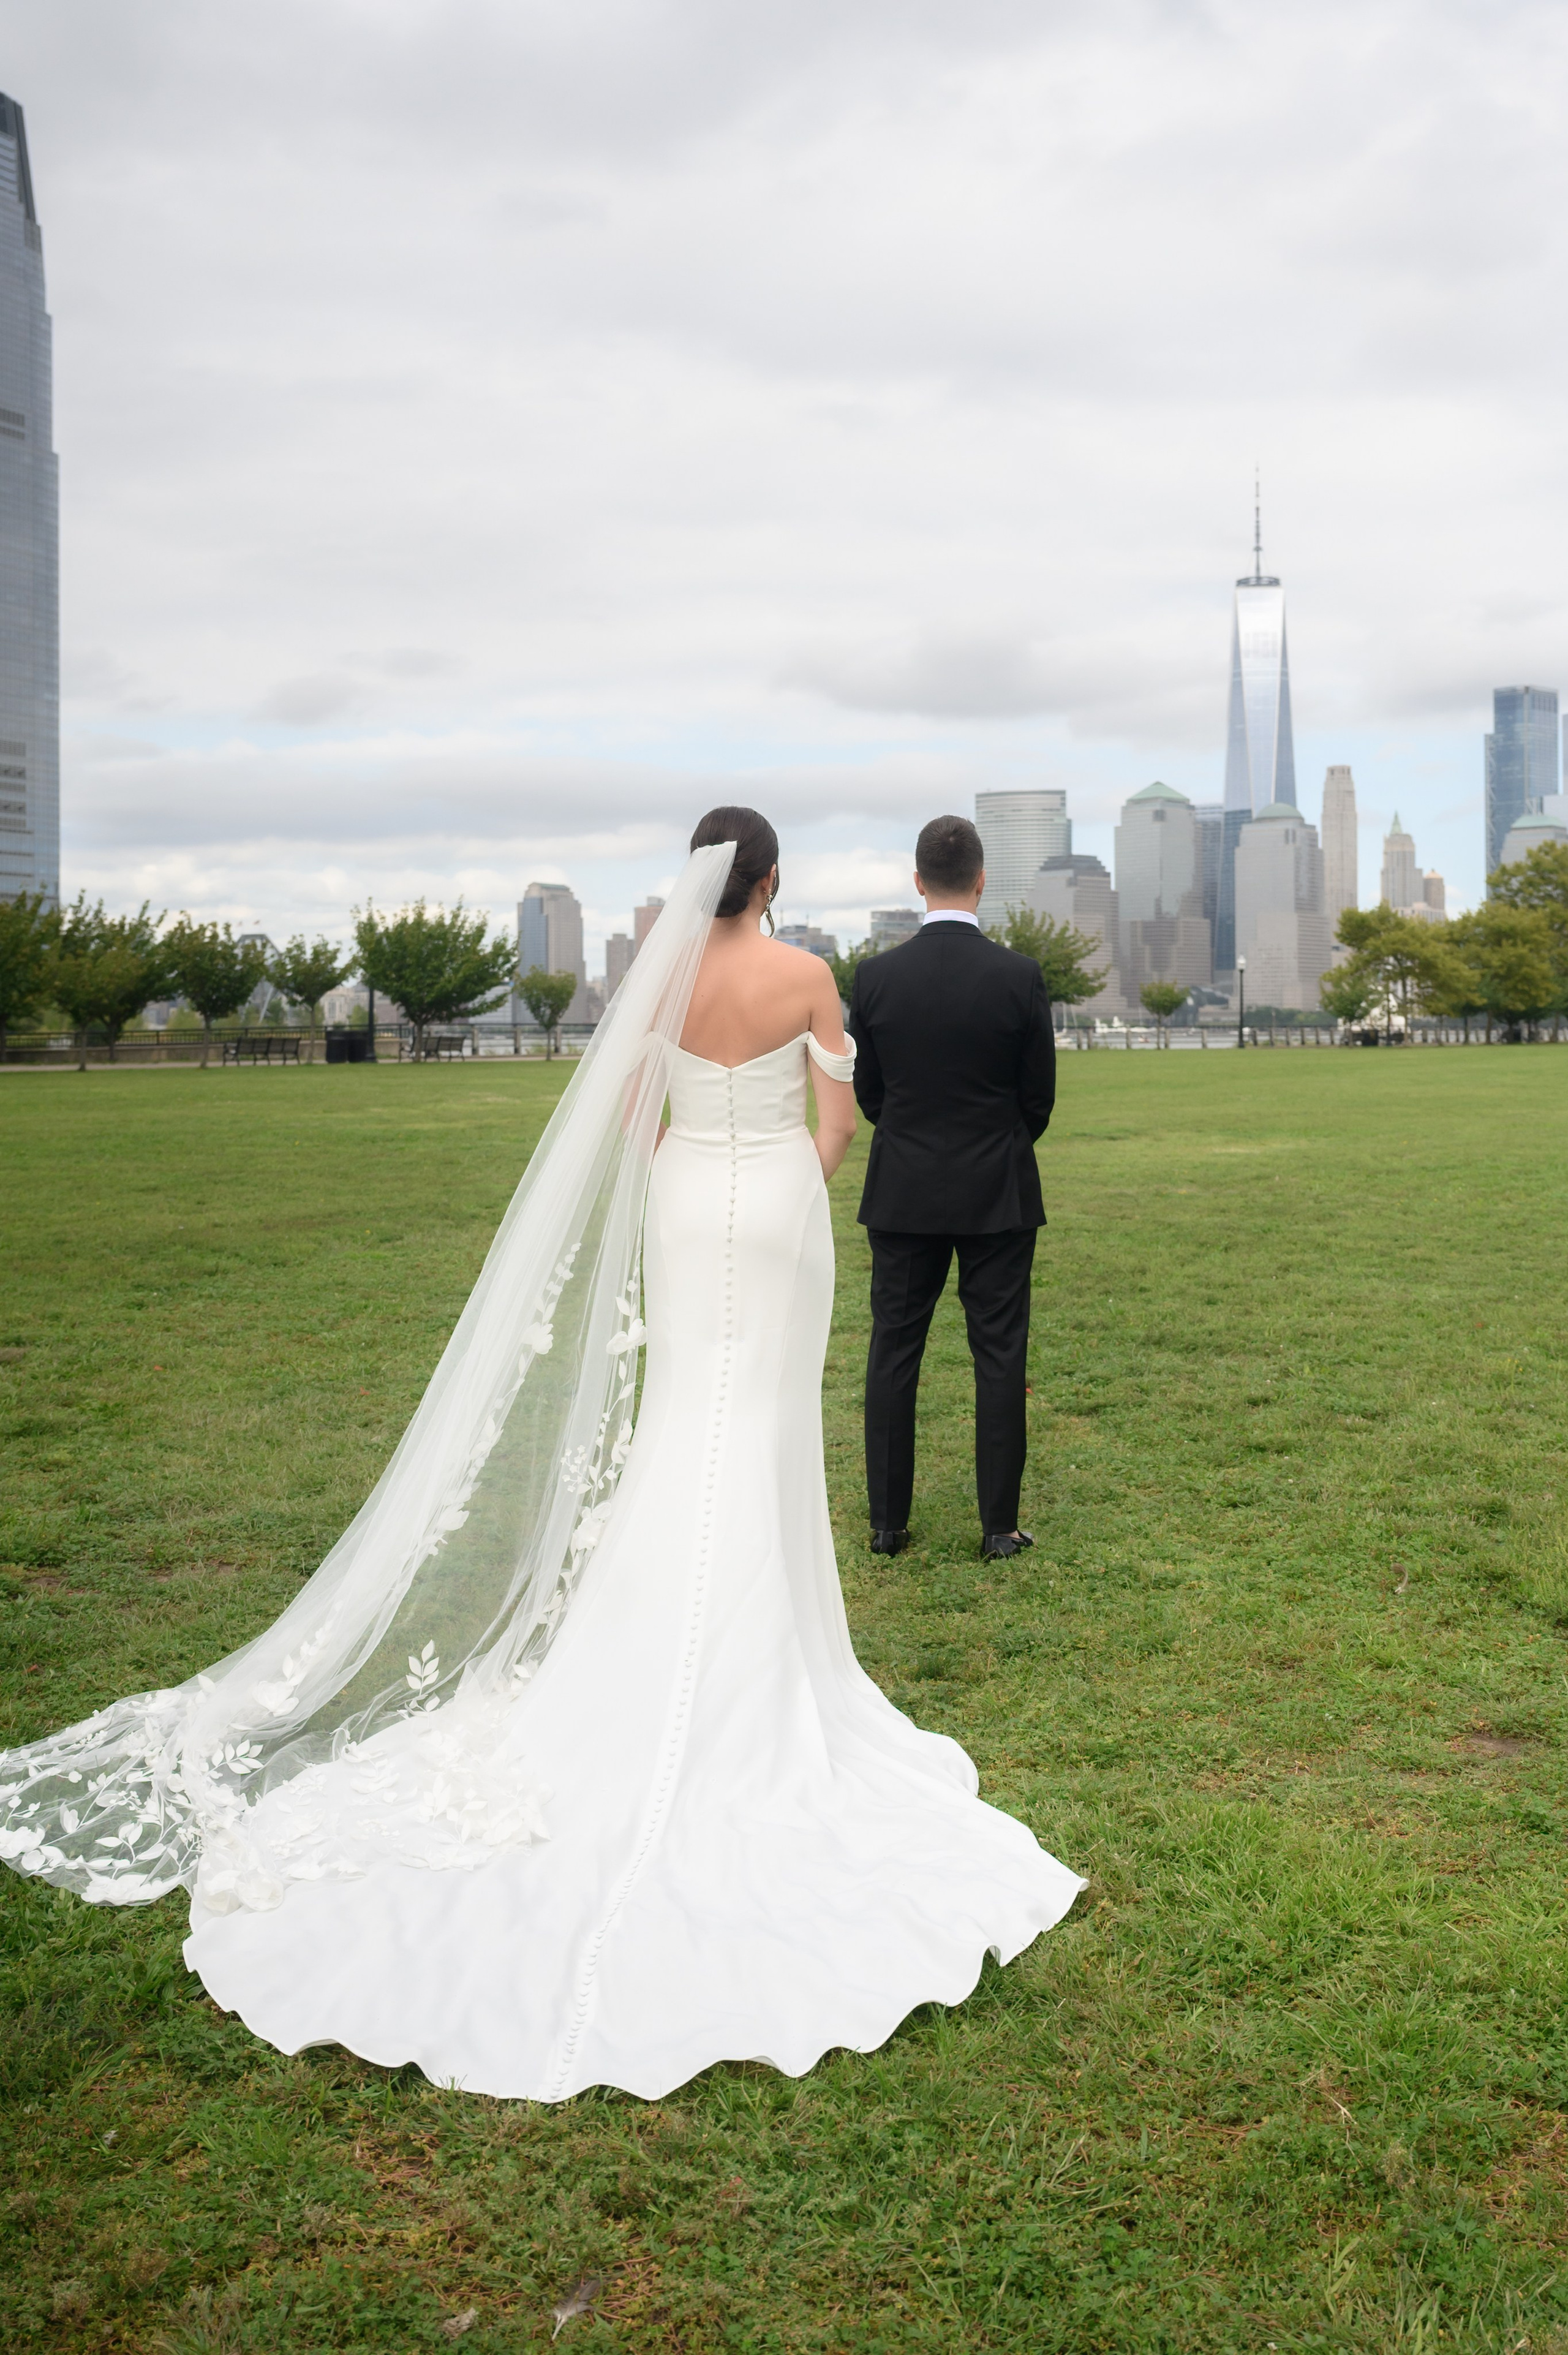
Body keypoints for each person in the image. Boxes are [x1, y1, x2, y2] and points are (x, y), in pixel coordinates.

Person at [0, 808, 1080, 2102]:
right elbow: (838, 1120)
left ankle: (645, 1647)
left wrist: (693, 1169)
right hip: (779, 1209)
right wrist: (786, 1175)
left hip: (682, 1202)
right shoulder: (807, 974)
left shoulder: (658, 980)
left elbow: (631, 1120)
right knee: (762, 1419)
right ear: (773, 881)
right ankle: (765, 1656)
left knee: (687, 1412)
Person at [850, 814, 1055, 1561]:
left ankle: (887, 1524)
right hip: (997, 1190)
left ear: (917, 882)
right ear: (980, 881)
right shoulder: (1019, 976)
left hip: (903, 1189)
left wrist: (915, 1140)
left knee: (892, 1350)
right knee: (999, 1354)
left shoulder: (874, 978)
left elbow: (871, 1093)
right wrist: (992, 1144)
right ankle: (998, 1526)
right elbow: (1037, 1098)